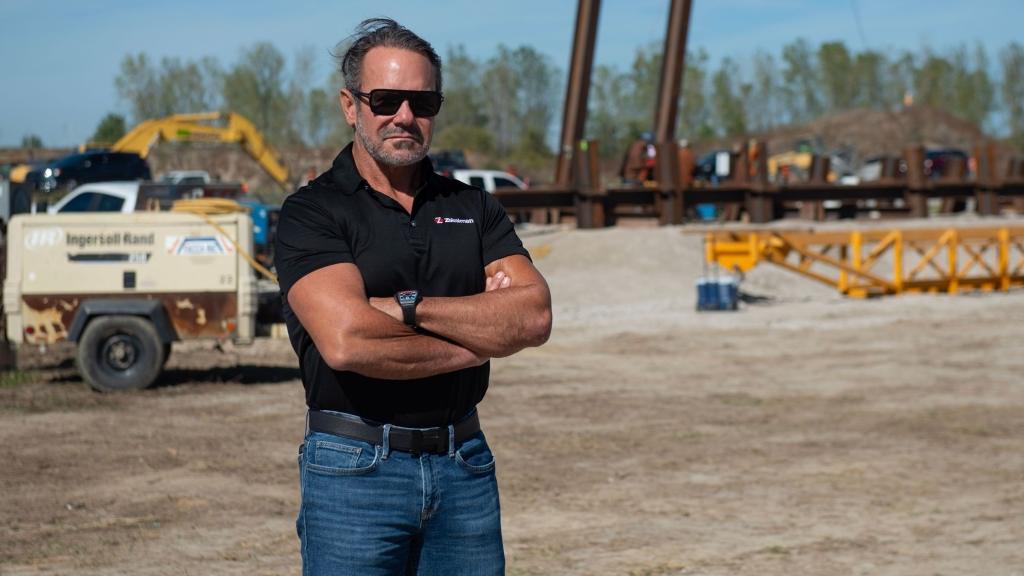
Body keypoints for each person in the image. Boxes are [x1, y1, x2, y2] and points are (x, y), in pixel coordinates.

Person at [273, 17, 552, 576]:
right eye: (385, 100)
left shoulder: (473, 207)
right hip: (354, 467)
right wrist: (479, 339)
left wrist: (404, 306)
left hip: (464, 464)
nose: (404, 116)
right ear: (350, 106)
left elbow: (533, 315)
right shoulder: (313, 212)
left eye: (422, 102)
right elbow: (349, 342)